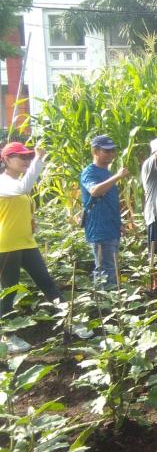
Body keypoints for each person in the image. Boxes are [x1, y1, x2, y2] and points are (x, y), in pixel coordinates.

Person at [0, 143, 65, 352]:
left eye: (28, 157)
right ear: (7, 160)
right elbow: (22, 189)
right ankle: (7, 337)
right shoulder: (3, 182)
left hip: (27, 242)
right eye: (21, 157)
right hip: (6, 245)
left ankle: (70, 320)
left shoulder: (17, 183)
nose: (26, 160)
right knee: (9, 291)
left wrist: (30, 220)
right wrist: (38, 159)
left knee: (47, 282)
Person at [80, 135, 128, 287]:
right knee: (105, 270)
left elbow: (110, 202)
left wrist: (119, 223)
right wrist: (117, 177)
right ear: (95, 151)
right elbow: (94, 191)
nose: (111, 154)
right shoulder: (90, 172)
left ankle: (110, 304)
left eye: (113, 151)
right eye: (106, 151)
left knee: (111, 268)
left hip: (111, 228)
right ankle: (104, 307)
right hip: (99, 229)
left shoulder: (107, 173)